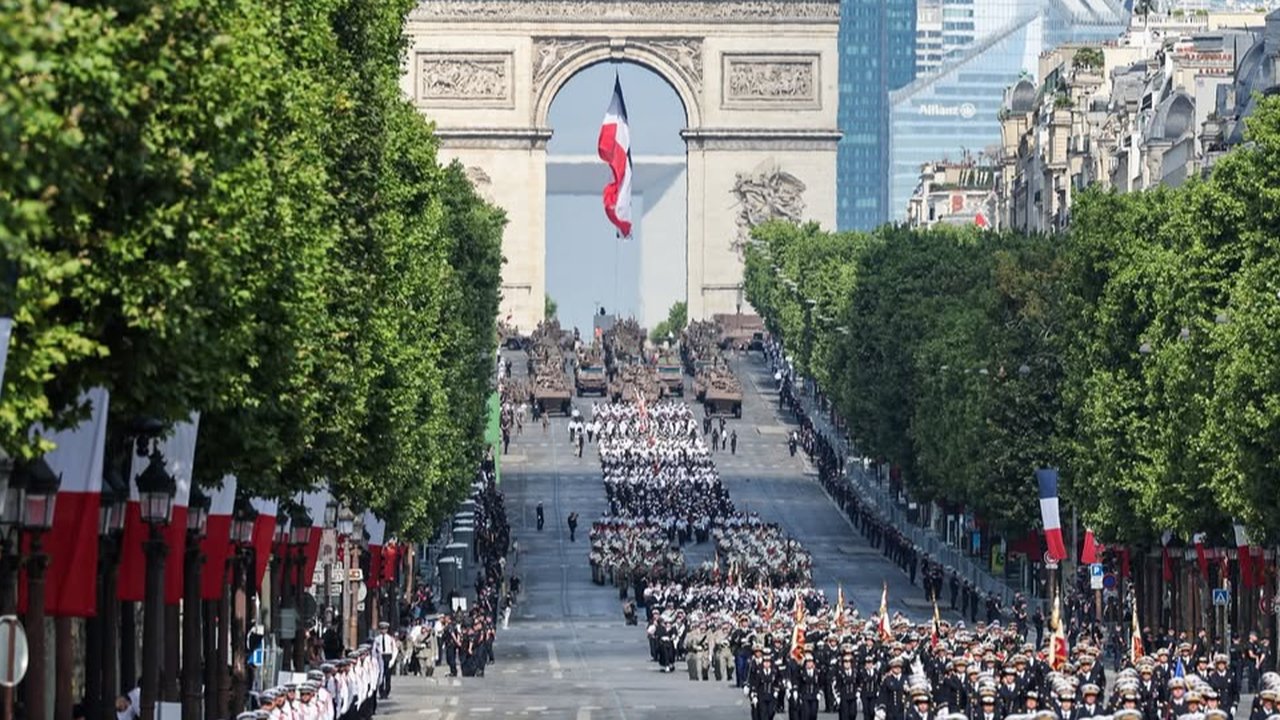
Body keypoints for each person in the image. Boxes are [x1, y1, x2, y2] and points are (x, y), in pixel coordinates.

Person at [374, 622, 398, 699]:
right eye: (382, 629)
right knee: (381, 675)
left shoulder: (390, 639)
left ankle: (387, 691)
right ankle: (381, 692)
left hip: (388, 656)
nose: (383, 630)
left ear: (387, 629)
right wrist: (375, 659)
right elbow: (374, 650)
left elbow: (395, 650)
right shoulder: (377, 639)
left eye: (385, 629)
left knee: (387, 676)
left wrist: (392, 660)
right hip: (381, 656)